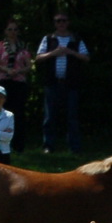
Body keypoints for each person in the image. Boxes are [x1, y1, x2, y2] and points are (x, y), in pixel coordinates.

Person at [36, 11, 89, 154]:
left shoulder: (76, 39)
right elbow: (38, 58)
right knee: (50, 116)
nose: (61, 24)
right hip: (52, 83)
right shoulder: (48, 39)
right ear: (55, 24)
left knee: (72, 116)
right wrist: (53, 53)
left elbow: (86, 57)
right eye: (58, 21)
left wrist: (70, 52)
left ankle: (74, 147)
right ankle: (48, 146)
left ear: (68, 22)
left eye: (64, 21)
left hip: (71, 83)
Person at [0, 20, 33, 152]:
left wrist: (18, 71)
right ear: (6, 31)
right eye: (10, 29)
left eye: (15, 29)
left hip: (19, 82)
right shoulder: (0, 46)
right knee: (3, 112)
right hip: (4, 82)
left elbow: (29, 66)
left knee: (18, 113)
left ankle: (18, 144)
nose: (13, 32)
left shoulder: (23, 47)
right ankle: (1, 143)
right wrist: (7, 70)